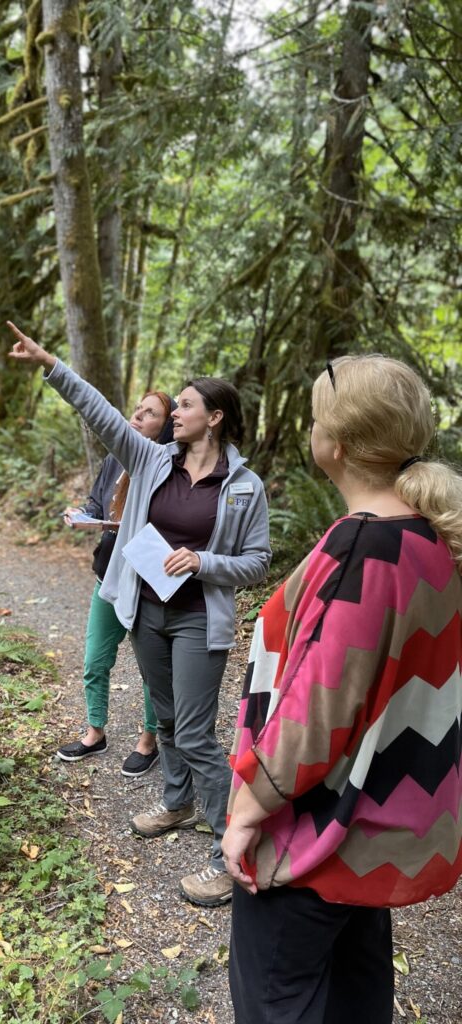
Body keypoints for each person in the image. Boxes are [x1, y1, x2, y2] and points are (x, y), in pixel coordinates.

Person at [223, 355, 462, 1024]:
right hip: (374, 836)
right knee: (357, 999)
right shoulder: (434, 540)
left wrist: (245, 811)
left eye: (314, 419)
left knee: (280, 1003)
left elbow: (316, 712)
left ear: (339, 445)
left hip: (314, 835)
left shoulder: (366, 547)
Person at [7, 320, 271, 908]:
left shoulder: (245, 486)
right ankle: (177, 802)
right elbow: (98, 411)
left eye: (185, 405)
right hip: (148, 611)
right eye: (173, 406)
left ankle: (232, 852)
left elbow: (256, 562)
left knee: (200, 733)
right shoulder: (153, 460)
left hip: (201, 615)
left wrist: (203, 562)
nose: (174, 413)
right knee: (170, 719)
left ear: (216, 416)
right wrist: (52, 365)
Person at [57, 391, 178, 778]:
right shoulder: (113, 460)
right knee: (95, 658)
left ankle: (148, 740)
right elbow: (97, 502)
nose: (137, 417)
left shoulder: (170, 466)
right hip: (108, 571)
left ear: (166, 426)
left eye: (149, 413)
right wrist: (83, 514)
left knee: (149, 667)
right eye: (137, 410)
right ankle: (95, 732)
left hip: (145, 581)